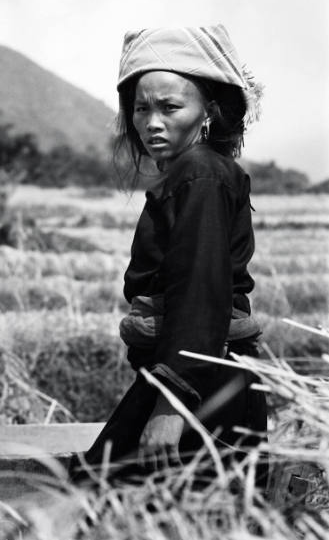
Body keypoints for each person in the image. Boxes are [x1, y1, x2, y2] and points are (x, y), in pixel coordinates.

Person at [70, 25, 267, 487]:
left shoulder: (200, 173)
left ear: (207, 114)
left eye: (170, 107)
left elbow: (200, 289)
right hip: (200, 381)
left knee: (94, 500)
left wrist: (172, 403)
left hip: (200, 387)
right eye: (141, 108)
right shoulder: (190, 173)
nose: (151, 122)